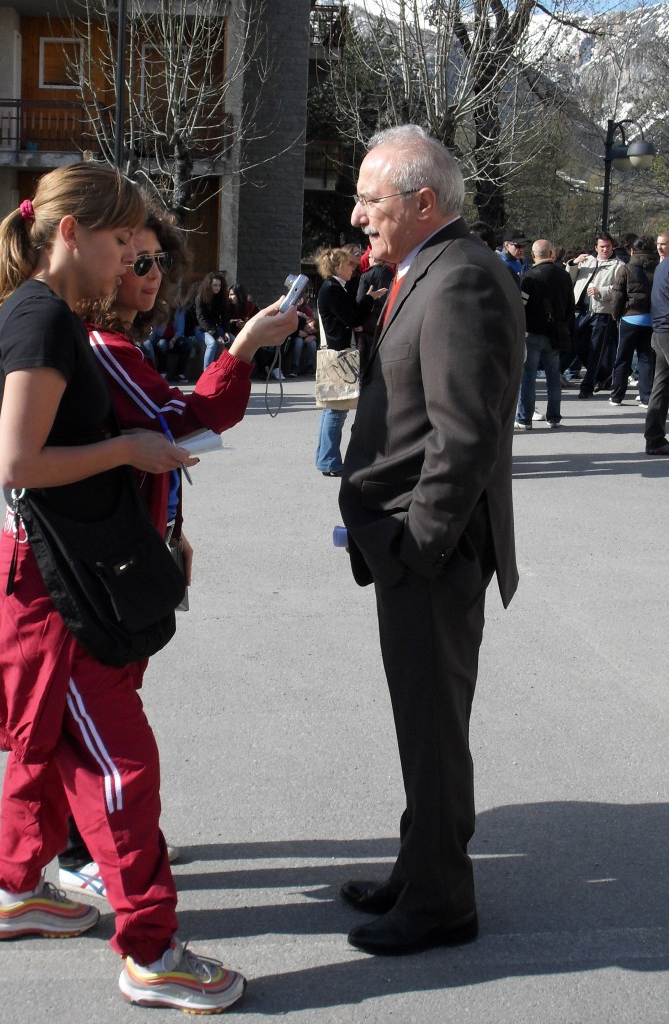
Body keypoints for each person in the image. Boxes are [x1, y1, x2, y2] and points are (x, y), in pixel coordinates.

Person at [0, 164, 276, 1014]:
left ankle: (15, 889)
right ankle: (150, 951)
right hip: (58, 591)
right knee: (120, 768)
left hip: (53, 580)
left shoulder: (45, 313)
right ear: (69, 234)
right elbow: (18, 465)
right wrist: (128, 451)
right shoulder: (41, 318)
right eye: (120, 246)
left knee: (47, 746)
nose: (129, 266)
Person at [63, 211, 296, 911]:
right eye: (135, 260)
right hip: (99, 563)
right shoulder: (104, 346)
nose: (151, 273)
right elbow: (185, 418)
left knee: (107, 705)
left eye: (157, 260)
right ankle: (88, 854)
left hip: (125, 549)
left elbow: (163, 433)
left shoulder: (113, 343)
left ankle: (86, 849)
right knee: (103, 722)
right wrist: (248, 345)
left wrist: (171, 525)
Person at [337, 125, 524, 956]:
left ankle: (443, 902)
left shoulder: (460, 281)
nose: (355, 216)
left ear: (421, 203)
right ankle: (421, 868)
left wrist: (419, 544)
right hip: (413, 547)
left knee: (434, 727)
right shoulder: (431, 269)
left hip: (431, 554)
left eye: (369, 201)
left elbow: (465, 435)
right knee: (423, 722)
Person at [314, 246, 385, 476]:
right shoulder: (332, 289)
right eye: (349, 265)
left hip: (339, 351)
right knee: (337, 408)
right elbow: (353, 317)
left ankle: (326, 459)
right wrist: (368, 300)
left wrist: (365, 301)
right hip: (338, 353)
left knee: (333, 409)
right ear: (336, 267)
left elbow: (352, 315)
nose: (353, 269)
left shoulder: (335, 288)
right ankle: (329, 462)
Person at [515, 239, 575, 429]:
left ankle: (525, 419)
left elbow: (520, 306)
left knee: (528, 377)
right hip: (556, 332)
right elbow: (570, 305)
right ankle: (554, 417)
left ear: (533, 255)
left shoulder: (528, 277)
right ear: (551, 253)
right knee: (553, 376)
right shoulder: (564, 276)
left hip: (532, 333)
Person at [566, 233, 621, 398]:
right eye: (602, 246)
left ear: (613, 247)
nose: (605, 249)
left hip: (602, 312)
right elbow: (570, 278)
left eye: (608, 246)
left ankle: (587, 387)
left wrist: (601, 291)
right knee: (577, 346)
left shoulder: (618, 265)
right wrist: (573, 263)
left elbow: (619, 289)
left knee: (596, 350)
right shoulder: (587, 261)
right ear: (596, 247)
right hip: (582, 311)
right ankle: (603, 375)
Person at [609, 237, 656, 407]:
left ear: (632, 251)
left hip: (630, 317)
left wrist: (615, 315)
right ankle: (646, 397)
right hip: (651, 319)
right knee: (646, 358)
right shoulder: (658, 268)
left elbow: (618, 295)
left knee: (623, 358)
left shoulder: (626, 269)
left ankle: (616, 396)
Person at [643, 240, 669, 455]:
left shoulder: (662, 266)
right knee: (661, 384)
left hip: (660, 329)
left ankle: (654, 439)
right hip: (666, 328)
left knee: (661, 384)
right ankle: (654, 438)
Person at [195, 271, 232, 370]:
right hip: (201, 330)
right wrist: (216, 335)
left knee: (233, 340)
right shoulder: (200, 298)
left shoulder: (221, 299)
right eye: (215, 285)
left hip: (216, 328)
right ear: (209, 285)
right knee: (212, 343)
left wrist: (226, 331)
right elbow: (201, 319)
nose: (217, 288)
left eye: (219, 285)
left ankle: (231, 369)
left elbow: (225, 317)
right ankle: (206, 372)